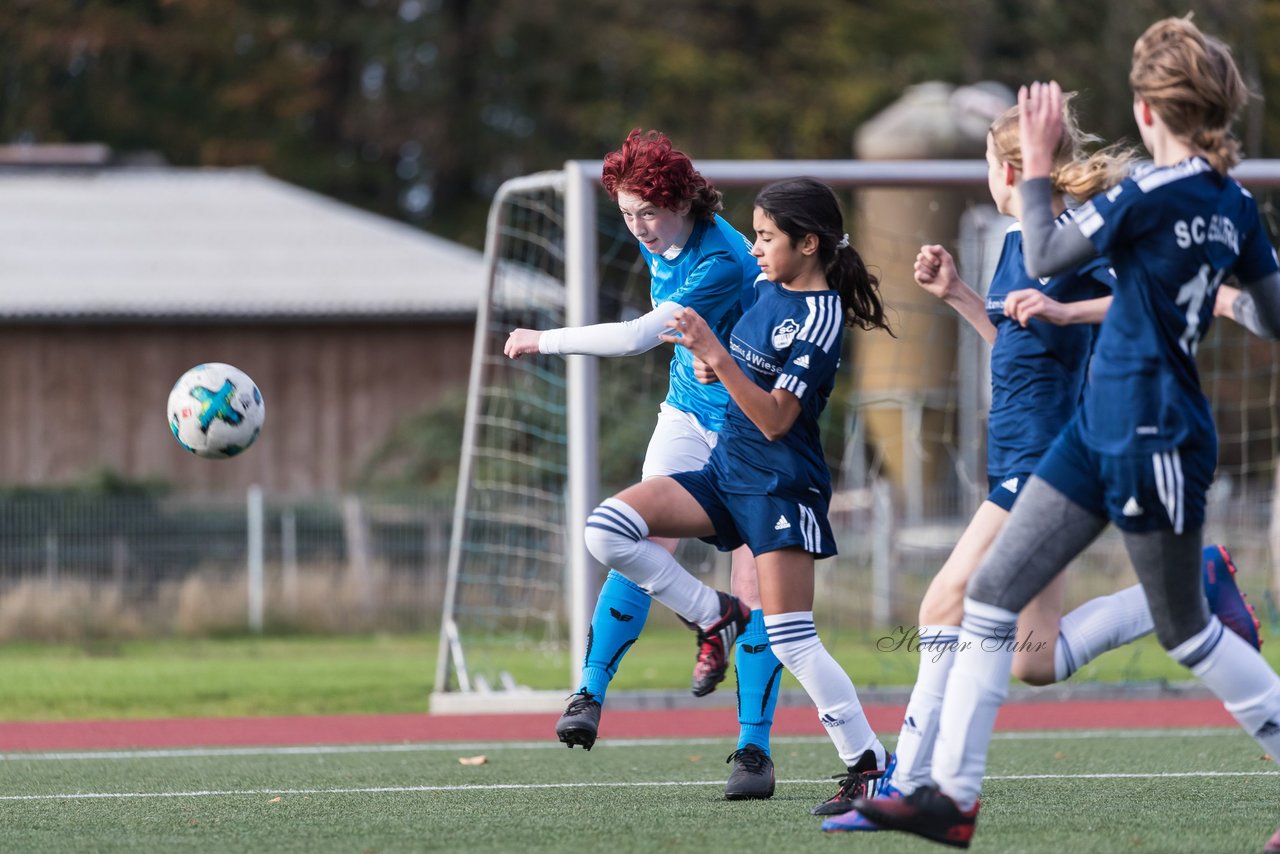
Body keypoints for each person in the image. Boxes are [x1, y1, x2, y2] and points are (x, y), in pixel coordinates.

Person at [854, 17, 1280, 849]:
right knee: (988, 596)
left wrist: (1041, 165)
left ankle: (947, 790)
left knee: (1185, 628)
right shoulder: (1233, 205)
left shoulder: (1151, 194)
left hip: (1153, 433)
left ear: (1148, 110)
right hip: (1097, 429)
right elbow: (1271, 311)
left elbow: (1046, 252)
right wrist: (1226, 299)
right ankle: (951, 797)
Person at [582, 176, 896, 815]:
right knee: (608, 529)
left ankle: (869, 764)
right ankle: (713, 612)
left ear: (807, 243)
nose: (753, 248)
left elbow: (777, 419)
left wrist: (714, 357)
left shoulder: (821, 314)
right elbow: (737, 361)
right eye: (753, 234)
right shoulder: (769, 288)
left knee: (792, 639)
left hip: (780, 485)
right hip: (727, 473)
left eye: (765, 237)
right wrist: (709, 360)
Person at [504, 129, 782, 799]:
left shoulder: (721, 262)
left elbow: (634, 338)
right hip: (686, 415)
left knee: (758, 584)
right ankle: (591, 693)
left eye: (648, 213)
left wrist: (546, 339)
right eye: (626, 215)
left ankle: (753, 752)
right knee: (632, 535)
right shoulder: (662, 241)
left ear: (682, 200)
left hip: (753, 433)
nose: (638, 228)